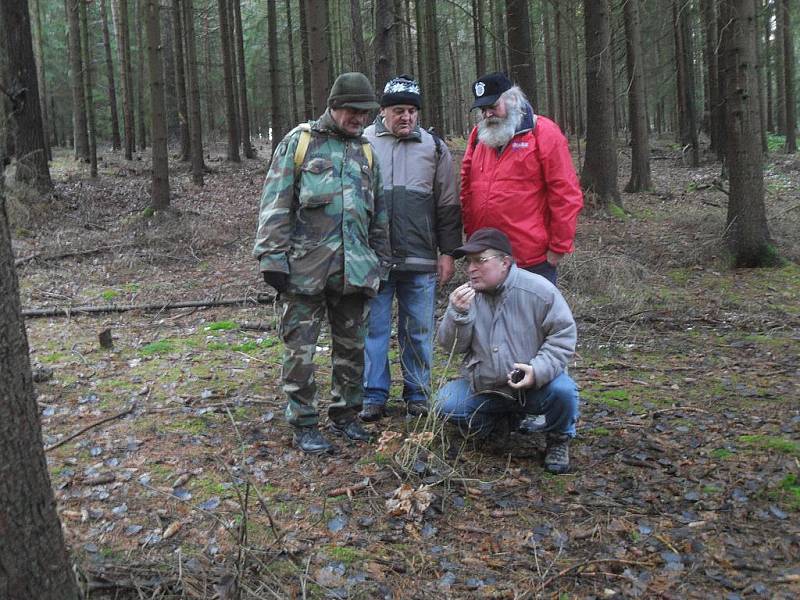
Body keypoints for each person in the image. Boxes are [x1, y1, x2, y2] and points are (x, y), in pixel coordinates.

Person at [253, 72, 391, 454]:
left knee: (353, 349)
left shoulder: (366, 153)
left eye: (365, 112)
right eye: (352, 110)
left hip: (355, 271)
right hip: (303, 272)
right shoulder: (300, 143)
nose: (359, 118)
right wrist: (271, 257)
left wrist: (382, 261)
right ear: (333, 105)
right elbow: (275, 202)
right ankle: (304, 422)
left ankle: (346, 416)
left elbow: (377, 214)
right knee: (300, 353)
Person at [359, 75, 462, 423]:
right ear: (383, 111)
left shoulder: (434, 148)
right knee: (372, 329)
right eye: (399, 110)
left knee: (418, 329)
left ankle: (418, 393)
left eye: (412, 111)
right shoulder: (364, 142)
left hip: (420, 259)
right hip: (374, 260)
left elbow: (448, 205)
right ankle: (372, 394)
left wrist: (448, 253)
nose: (406, 117)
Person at [435, 228, 580, 474]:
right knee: (445, 403)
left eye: (480, 260)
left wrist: (537, 370)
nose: (471, 268)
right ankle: (498, 421)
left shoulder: (538, 290)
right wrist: (457, 315)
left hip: (536, 388)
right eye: (469, 262)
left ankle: (558, 439)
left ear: (505, 262)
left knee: (564, 392)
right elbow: (451, 347)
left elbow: (563, 336)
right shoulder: (467, 296)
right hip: (486, 388)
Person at [461, 72, 583, 287]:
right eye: (483, 109)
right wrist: (472, 239)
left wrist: (558, 247)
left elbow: (565, 192)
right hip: (487, 256)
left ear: (512, 100)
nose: (488, 114)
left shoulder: (542, 132)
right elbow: (467, 190)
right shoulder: (477, 138)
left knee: (532, 319)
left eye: (493, 106)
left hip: (531, 259)